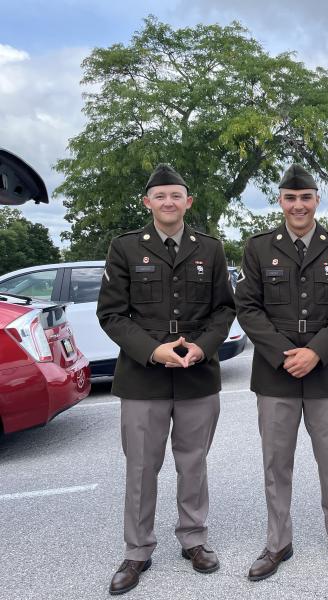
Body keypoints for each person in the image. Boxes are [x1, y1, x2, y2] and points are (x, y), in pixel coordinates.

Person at [97, 164, 235, 595]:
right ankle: (137, 550)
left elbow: (224, 310)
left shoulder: (209, 250)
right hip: (143, 377)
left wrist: (203, 346)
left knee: (193, 462)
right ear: (148, 203)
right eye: (160, 196)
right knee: (141, 467)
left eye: (176, 195)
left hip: (197, 375)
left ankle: (194, 540)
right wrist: (152, 350)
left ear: (188, 201)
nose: (169, 202)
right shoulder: (124, 248)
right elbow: (112, 313)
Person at [234, 164, 328, 580]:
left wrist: (316, 352)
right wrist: (284, 353)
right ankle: (277, 543)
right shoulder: (259, 248)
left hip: (326, 373)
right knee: (276, 463)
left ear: (316, 200)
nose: (298, 205)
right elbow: (248, 307)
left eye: (305, 197)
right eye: (290, 198)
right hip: (276, 373)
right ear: (280, 201)